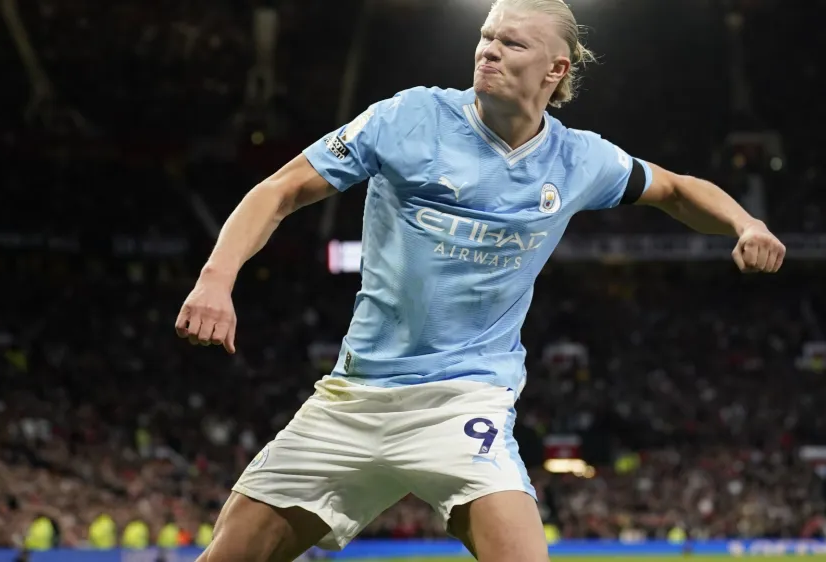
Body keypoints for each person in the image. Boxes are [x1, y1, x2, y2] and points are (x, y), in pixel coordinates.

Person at [174, 0, 786, 560]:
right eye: (486, 36)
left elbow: (677, 190)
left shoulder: (579, 159)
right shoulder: (408, 118)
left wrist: (744, 221)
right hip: (354, 400)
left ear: (555, 69)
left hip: (464, 401)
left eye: (512, 43)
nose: (489, 49)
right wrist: (215, 279)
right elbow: (278, 190)